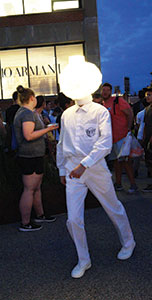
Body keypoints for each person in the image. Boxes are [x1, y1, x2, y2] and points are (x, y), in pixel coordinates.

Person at [56, 57, 135, 279]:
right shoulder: (66, 115)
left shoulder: (100, 111)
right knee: (73, 219)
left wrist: (84, 165)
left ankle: (129, 241)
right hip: (73, 169)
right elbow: (62, 145)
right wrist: (62, 170)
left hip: (95, 167)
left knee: (112, 206)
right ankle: (84, 259)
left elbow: (104, 143)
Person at [14, 86, 59, 232]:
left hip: (33, 155)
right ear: (32, 98)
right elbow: (28, 135)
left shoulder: (24, 112)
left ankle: (39, 215)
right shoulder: (26, 114)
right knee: (29, 189)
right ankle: (26, 222)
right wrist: (48, 129)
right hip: (30, 155)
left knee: (35, 188)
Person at [101, 83, 138, 193]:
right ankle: (118, 183)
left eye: (107, 90)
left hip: (121, 137)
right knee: (117, 162)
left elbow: (130, 113)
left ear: (111, 91)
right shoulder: (103, 104)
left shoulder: (118, 101)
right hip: (111, 138)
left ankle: (133, 184)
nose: (105, 92)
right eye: (103, 90)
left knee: (125, 161)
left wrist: (128, 128)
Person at [142, 88, 152, 192]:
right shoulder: (147, 109)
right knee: (149, 161)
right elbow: (145, 124)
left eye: (149, 95)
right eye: (146, 95)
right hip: (147, 140)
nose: (147, 97)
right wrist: (144, 137)